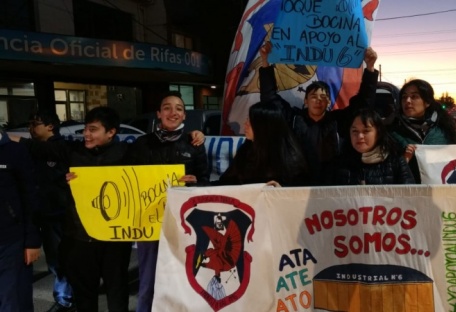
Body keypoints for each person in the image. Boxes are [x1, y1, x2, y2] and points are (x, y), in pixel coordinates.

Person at [11, 107, 132, 312]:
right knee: (84, 295)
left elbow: (156, 173)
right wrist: (6, 139)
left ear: (111, 132)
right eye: (85, 129)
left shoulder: (129, 154)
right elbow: (36, 147)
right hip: (79, 239)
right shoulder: (74, 151)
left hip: (115, 241)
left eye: (93, 129)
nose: (86, 134)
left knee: (117, 292)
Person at [127, 91, 210, 312]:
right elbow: (125, 179)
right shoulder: (142, 144)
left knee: (183, 278)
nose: (173, 112)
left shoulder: (194, 144)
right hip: (149, 223)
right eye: (167, 108)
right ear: (158, 114)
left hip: (183, 224)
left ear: (184, 116)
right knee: (148, 279)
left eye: (179, 109)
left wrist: (194, 184)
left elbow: (205, 181)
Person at [258, 42, 379, 185]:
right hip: (296, 183)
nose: (318, 101)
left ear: (328, 102)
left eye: (323, 97)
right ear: (306, 100)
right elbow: (270, 98)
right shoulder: (294, 118)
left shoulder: (338, 120)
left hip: (332, 184)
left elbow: (363, 103)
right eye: (314, 96)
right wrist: (265, 62)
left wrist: (370, 69)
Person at [28, 110, 76, 312]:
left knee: (61, 258)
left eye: (35, 123)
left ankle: (66, 298)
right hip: (44, 213)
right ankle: (66, 295)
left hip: (60, 213)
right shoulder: (35, 151)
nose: (31, 128)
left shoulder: (62, 148)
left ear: (50, 126)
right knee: (55, 259)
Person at [217, 101, 309, 186]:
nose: (245, 124)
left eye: (250, 121)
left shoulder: (290, 159)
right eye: (247, 119)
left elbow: (298, 193)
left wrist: (282, 191)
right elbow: (227, 180)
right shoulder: (246, 149)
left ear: (263, 126)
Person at [0, 127, 42, 312]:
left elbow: (30, 197)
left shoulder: (15, 151)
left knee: (13, 301)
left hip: (11, 241)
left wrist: (32, 241)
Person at [388, 79, 456, 183]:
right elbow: (386, 172)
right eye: (404, 97)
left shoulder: (444, 130)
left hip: (439, 191)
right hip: (409, 193)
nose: (408, 101)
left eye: (414, 97)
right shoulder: (392, 132)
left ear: (427, 102)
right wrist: (404, 159)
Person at [325, 109, 415, 185]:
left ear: (378, 133)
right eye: (355, 131)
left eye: (366, 131)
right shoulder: (338, 164)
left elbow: (410, 196)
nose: (360, 136)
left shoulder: (396, 161)